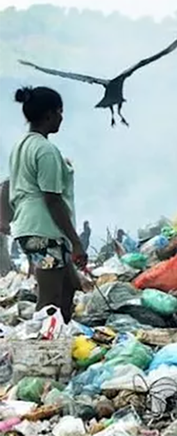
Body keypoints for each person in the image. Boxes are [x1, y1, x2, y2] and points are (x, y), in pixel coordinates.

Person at [9, 86, 86, 322]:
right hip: (44, 231)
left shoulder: (22, 146)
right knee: (50, 298)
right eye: (60, 112)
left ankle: (59, 336)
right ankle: (42, 350)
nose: (62, 118)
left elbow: (7, 185)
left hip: (30, 227)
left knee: (70, 285)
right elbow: (52, 200)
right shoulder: (45, 150)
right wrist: (75, 242)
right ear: (50, 114)